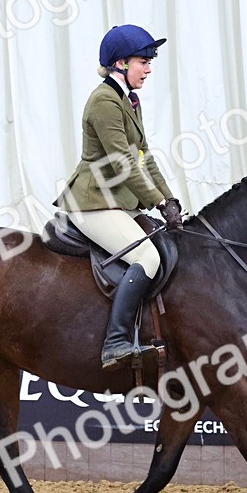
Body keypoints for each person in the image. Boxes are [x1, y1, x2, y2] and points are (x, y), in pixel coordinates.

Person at [53, 24, 184, 370]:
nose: (150, 68)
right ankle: (115, 342)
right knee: (148, 256)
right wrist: (157, 202)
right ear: (121, 64)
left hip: (119, 201)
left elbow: (144, 157)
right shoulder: (104, 102)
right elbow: (123, 164)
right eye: (144, 60)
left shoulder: (130, 99)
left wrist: (170, 200)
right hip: (93, 202)